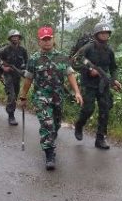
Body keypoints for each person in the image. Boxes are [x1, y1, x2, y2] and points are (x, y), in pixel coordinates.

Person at [19, 26, 83, 170]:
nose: (47, 42)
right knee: (47, 124)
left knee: (55, 124)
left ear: (53, 39)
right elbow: (28, 80)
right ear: (39, 42)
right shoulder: (34, 59)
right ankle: (49, 154)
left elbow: (70, 74)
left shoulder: (62, 57)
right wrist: (23, 97)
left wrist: (77, 92)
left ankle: (50, 140)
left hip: (58, 97)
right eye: (44, 40)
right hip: (41, 97)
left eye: (49, 39)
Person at [71, 23, 122, 150]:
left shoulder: (109, 50)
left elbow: (114, 68)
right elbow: (74, 62)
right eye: (102, 33)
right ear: (96, 34)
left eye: (107, 33)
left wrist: (114, 80)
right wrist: (89, 69)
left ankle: (100, 139)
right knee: (88, 109)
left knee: (105, 110)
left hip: (103, 84)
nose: (104, 35)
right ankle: (79, 125)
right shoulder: (87, 48)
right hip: (88, 84)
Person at [0, 29, 28, 125]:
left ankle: (11, 111)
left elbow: (27, 62)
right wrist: (3, 67)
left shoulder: (23, 50)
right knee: (12, 95)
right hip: (8, 74)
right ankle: (11, 115)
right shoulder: (5, 50)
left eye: (17, 37)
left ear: (19, 38)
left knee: (15, 95)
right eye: (13, 37)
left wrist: (24, 71)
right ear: (10, 39)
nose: (15, 38)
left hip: (17, 75)